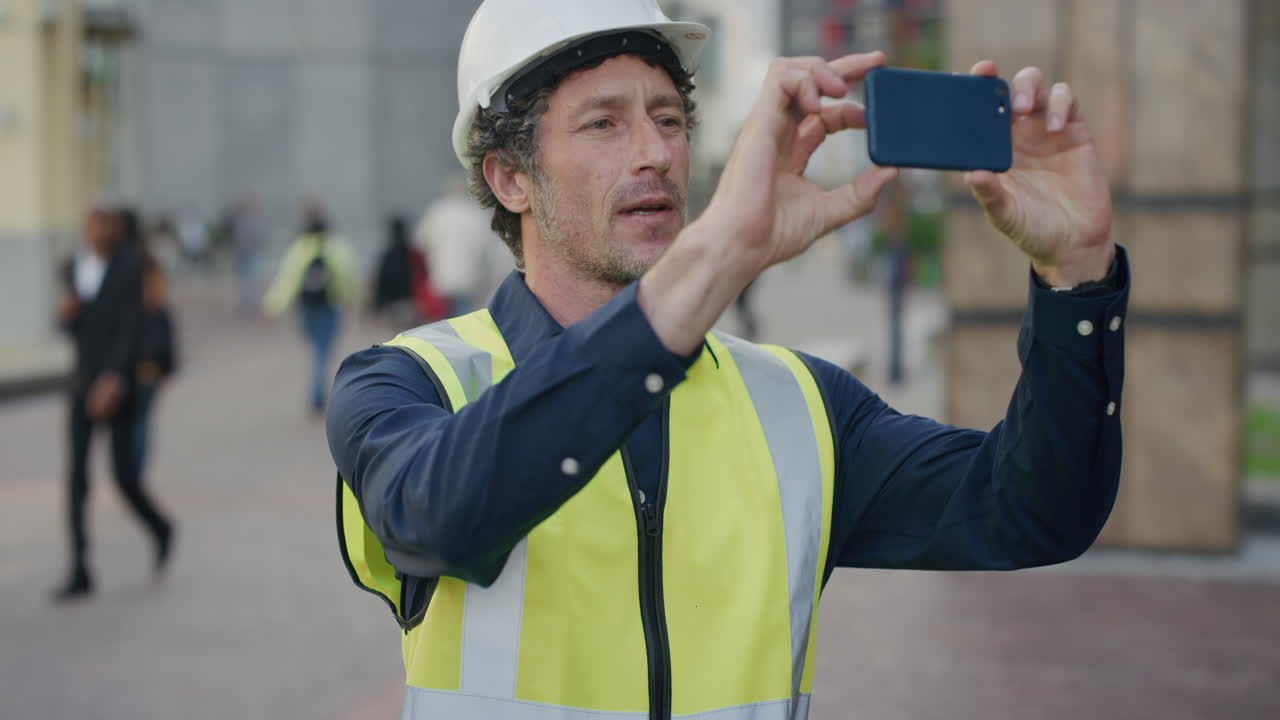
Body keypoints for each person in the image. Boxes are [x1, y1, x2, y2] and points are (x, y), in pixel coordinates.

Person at [326, 1, 1128, 717]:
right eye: (603, 123)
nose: (654, 154)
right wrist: (717, 257)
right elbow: (444, 517)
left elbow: (1033, 513)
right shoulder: (405, 383)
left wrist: (1076, 277)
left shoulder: (800, 406)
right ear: (509, 180)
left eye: (669, 120)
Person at [54, 201, 175, 602]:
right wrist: (66, 316)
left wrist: (115, 378)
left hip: (117, 386)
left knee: (124, 479)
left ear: (114, 228)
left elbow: (134, 325)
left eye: (102, 223)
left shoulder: (131, 265)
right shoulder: (75, 266)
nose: (95, 231)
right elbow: (72, 325)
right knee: (76, 479)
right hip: (81, 383)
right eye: (89, 224)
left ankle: (160, 528)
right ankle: (80, 567)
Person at [262, 202, 358, 414]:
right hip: (330, 306)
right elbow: (347, 276)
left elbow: (287, 280)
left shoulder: (300, 247)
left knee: (316, 350)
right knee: (323, 351)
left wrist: (273, 306)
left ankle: (315, 394)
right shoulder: (335, 246)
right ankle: (317, 395)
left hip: (306, 308)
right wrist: (354, 298)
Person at [414, 176, 498, 315]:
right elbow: (488, 245)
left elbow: (421, 242)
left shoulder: (438, 212)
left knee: (446, 318)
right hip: (470, 276)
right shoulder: (476, 214)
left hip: (442, 275)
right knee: (467, 316)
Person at [372, 215, 429, 328]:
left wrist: (377, 304)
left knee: (397, 337)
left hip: (393, 303)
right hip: (412, 302)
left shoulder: (388, 255)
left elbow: (382, 281)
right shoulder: (413, 254)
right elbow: (424, 276)